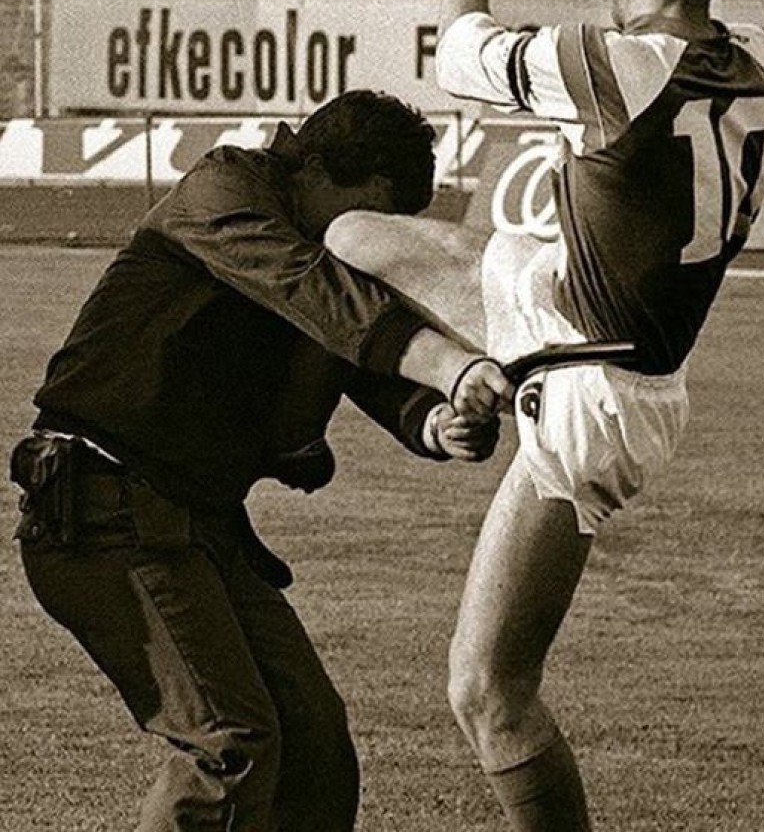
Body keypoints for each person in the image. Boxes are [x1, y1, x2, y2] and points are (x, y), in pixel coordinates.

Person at [324, 0, 764, 830]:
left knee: (486, 691)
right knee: (350, 234)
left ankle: (443, 394)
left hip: (592, 382)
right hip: (578, 320)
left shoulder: (617, 63)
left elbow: (460, 57)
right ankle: (445, 387)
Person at [11, 89, 513, 832]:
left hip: (191, 524)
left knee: (314, 744)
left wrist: (432, 419)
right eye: (365, 215)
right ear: (319, 169)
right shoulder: (226, 188)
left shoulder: (314, 247)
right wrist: (450, 365)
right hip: (104, 509)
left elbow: (346, 338)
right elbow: (312, 292)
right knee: (230, 745)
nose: (363, 240)